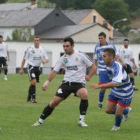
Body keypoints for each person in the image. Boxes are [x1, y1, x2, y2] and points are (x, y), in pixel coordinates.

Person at [32, 37, 95, 127]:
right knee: (54, 102)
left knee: (84, 93)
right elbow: (54, 71)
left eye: (67, 46)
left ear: (72, 46)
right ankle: (40, 121)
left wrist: (89, 76)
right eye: (64, 46)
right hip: (66, 83)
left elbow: (93, 66)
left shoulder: (81, 55)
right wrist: (46, 83)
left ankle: (81, 120)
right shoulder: (63, 58)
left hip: (79, 84)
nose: (65, 48)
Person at [90, 48, 133, 131]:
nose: (102, 58)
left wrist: (99, 86)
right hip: (116, 90)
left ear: (111, 57)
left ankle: (116, 127)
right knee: (108, 110)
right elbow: (111, 81)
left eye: (104, 56)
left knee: (118, 112)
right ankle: (126, 111)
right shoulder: (108, 66)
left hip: (125, 92)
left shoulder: (117, 67)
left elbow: (115, 83)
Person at [19, 36, 49, 103]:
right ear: (33, 41)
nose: (36, 42)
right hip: (31, 66)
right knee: (34, 81)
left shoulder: (42, 49)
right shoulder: (30, 49)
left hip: (37, 67)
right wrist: (21, 68)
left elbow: (47, 59)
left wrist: (45, 61)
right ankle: (33, 98)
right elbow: (24, 59)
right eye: (35, 40)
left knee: (33, 83)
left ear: (39, 41)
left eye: (37, 40)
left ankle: (28, 99)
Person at [93, 32, 119, 109]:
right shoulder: (97, 47)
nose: (100, 39)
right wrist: (95, 68)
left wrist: (116, 64)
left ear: (105, 38)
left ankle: (116, 103)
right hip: (102, 69)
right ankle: (100, 103)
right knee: (103, 87)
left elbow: (117, 55)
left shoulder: (111, 45)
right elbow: (95, 58)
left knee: (114, 86)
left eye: (101, 38)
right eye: (99, 38)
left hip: (111, 69)